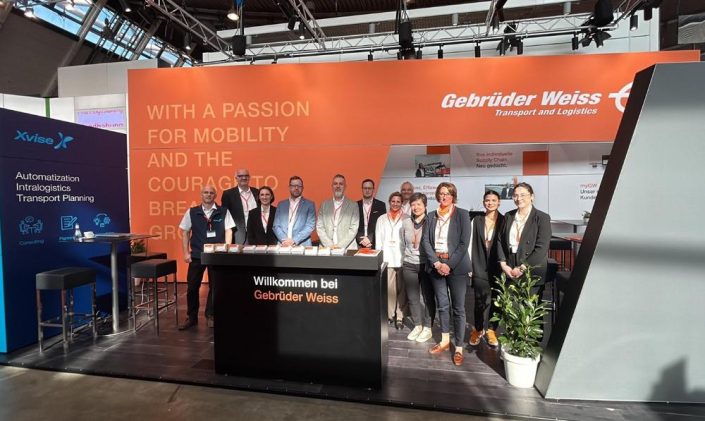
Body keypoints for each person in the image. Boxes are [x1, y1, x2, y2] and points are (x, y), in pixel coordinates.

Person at [421, 182, 471, 366]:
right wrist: (436, 263)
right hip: (436, 265)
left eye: (448, 193)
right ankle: (444, 341)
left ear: (453, 196)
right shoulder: (431, 216)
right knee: (442, 305)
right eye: (441, 193)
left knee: (458, 308)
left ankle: (458, 347)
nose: (444, 196)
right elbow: (426, 241)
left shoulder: (462, 214)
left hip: (456, 267)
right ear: (437, 195)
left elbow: (464, 243)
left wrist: (448, 265)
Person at [178, 185, 235, 330]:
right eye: (205, 192)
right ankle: (191, 317)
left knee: (215, 287)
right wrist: (186, 253)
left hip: (216, 255)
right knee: (192, 287)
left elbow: (229, 231)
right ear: (201, 194)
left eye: (211, 193)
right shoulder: (192, 212)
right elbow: (185, 232)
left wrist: (226, 249)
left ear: (215, 195)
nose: (208, 195)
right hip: (197, 255)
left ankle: (211, 315)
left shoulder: (223, 211)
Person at [497, 182, 552, 287]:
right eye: (515, 195)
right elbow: (500, 240)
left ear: (532, 196)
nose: (518, 198)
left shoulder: (542, 217)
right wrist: (503, 265)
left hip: (532, 269)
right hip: (510, 268)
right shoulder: (508, 216)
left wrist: (522, 268)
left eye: (523, 195)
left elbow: (542, 248)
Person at [469, 190, 505, 347]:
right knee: (479, 300)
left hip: (498, 265)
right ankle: (478, 329)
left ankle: (491, 330)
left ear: (499, 202)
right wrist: (470, 265)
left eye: (493, 200)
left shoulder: (505, 220)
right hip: (479, 264)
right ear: (484, 202)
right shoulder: (476, 220)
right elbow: (470, 243)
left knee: (497, 300)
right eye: (487, 200)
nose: (490, 203)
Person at [401, 192, 434, 343]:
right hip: (409, 264)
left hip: (426, 264)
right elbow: (403, 243)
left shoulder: (431, 221)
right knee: (413, 297)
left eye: (418, 204)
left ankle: (427, 327)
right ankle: (418, 325)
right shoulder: (406, 222)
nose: (415, 207)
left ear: (425, 206)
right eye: (413, 204)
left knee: (427, 297)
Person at [375, 192, 409, 330]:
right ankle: (389, 315)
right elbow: (378, 239)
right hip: (387, 258)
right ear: (389, 202)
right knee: (389, 290)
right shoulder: (381, 219)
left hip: (402, 258)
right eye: (393, 201)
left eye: (398, 201)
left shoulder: (407, 218)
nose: (395, 204)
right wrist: (380, 259)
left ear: (402, 203)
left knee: (402, 289)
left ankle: (400, 316)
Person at [316, 174, 360, 250]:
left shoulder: (353, 205)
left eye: (341, 184)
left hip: (347, 248)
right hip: (326, 248)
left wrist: (339, 246)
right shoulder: (324, 205)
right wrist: (329, 245)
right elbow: (320, 227)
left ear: (345, 187)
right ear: (332, 186)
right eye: (335, 184)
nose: (338, 186)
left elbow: (354, 228)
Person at [272, 176, 316, 246]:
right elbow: (276, 226)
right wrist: (284, 240)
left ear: (302, 188)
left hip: (302, 244)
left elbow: (310, 226)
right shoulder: (281, 204)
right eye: (293, 186)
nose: (296, 188)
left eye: (299, 186)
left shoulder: (309, 204)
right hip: (283, 244)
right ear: (289, 187)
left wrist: (294, 240)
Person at [221, 168, 259, 244]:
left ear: (249, 177)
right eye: (240, 176)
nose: (244, 178)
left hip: (256, 234)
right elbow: (225, 216)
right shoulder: (228, 194)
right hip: (238, 235)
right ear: (236, 178)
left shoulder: (257, 192)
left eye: (246, 176)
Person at [356, 179, 386, 249]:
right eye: (365, 188)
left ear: (373, 189)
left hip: (374, 242)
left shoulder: (381, 205)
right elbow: (353, 225)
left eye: (369, 188)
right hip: (359, 243)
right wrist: (360, 239)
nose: (367, 190)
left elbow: (382, 225)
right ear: (362, 189)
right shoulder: (355, 205)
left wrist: (370, 238)